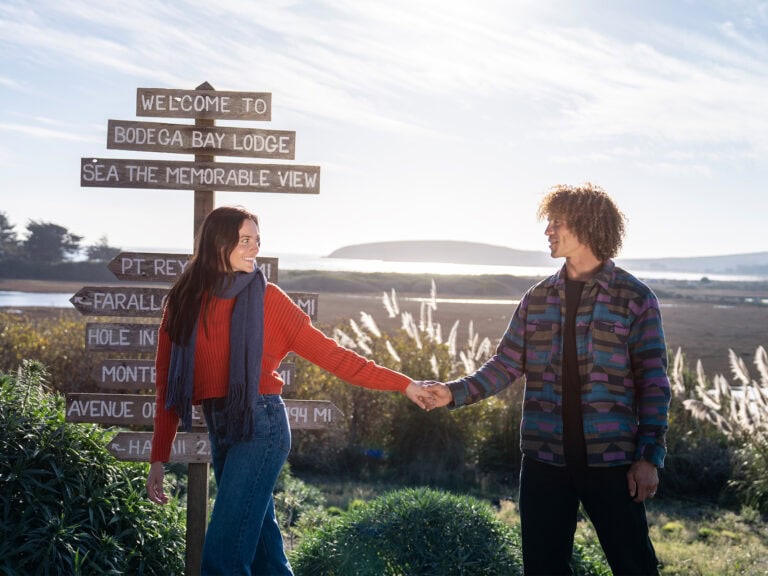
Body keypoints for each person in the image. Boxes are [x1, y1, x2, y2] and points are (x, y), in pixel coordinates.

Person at [146, 206, 428, 575]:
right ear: (217, 242)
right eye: (244, 240)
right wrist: (158, 456)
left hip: (262, 426)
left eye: (257, 241)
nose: (253, 249)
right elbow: (167, 380)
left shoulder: (269, 300)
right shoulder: (184, 301)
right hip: (223, 427)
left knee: (222, 555)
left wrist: (404, 384)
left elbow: (335, 357)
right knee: (266, 557)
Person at [420, 183, 671, 575]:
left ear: (587, 225)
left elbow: (654, 384)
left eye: (557, 222)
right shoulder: (537, 297)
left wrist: (648, 457)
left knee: (635, 565)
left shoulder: (634, 298)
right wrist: (451, 394)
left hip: (612, 461)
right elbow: (504, 364)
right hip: (544, 460)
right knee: (542, 568)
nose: (547, 231)